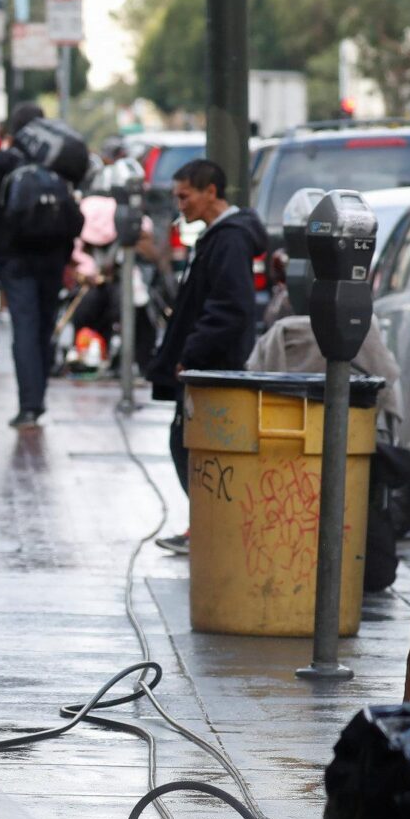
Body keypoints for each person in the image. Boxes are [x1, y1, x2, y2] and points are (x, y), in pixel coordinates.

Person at [145, 158, 266, 554]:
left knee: (191, 445)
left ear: (209, 192)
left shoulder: (228, 239)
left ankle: (211, 524)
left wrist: (192, 353)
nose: (180, 205)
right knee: (189, 443)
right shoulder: (219, 237)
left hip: (212, 363)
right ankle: (207, 523)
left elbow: (230, 306)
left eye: (185, 196)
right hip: (206, 359)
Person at [0, 102, 83, 429]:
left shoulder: (4, 161)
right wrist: (67, 258)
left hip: (15, 258)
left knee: (25, 328)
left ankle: (29, 407)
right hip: (53, 258)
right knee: (45, 327)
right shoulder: (56, 162)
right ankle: (39, 397)